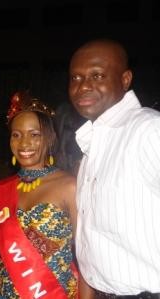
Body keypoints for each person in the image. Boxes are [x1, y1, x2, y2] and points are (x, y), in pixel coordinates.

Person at [70, 39, 160, 298]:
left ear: (125, 79)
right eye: (75, 77)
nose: (83, 85)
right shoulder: (94, 144)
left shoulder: (147, 131)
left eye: (97, 75)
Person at [0, 91, 89, 298]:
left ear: (48, 139)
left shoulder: (69, 186)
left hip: (55, 292)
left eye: (34, 135)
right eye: (16, 134)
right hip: (4, 292)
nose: (24, 143)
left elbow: (88, 257)